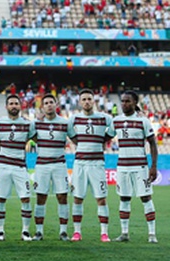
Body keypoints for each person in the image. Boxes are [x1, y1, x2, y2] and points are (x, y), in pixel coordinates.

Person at [106, 91, 158, 243]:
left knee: (146, 197)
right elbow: (105, 137)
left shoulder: (143, 121)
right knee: (124, 198)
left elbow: (153, 144)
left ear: (135, 102)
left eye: (127, 101)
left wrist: (153, 166)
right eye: (122, 101)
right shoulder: (116, 121)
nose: (124, 104)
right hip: (122, 167)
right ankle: (124, 233)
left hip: (140, 166)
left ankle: (152, 234)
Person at [68, 89, 113, 242]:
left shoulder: (104, 118)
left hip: (97, 164)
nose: (87, 102)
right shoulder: (74, 119)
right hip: (80, 164)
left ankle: (104, 233)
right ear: (80, 102)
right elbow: (70, 133)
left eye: (89, 99)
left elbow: (113, 130)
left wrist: (101, 140)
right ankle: (77, 232)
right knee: (77, 198)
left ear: (93, 101)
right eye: (84, 99)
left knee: (101, 199)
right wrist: (79, 143)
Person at [0, 95, 35, 241]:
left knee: (26, 198)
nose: (14, 106)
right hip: (3, 166)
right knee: (1, 199)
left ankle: (25, 231)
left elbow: (34, 138)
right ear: (6, 106)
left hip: (20, 167)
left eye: (16, 103)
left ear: (21, 106)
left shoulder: (28, 124)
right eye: (11, 104)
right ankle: (0, 232)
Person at [32, 94, 74, 241]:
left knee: (62, 196)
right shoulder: (36, 124)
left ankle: (63, 232)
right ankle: (38, 232)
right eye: (46, 103)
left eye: (51, 102)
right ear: (42, 107)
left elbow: (75, 139)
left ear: (56, 104)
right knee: (40, 197)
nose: (49, 105)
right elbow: (31, 137)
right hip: (42, 165)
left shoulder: (65, 123)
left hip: (59, 165)